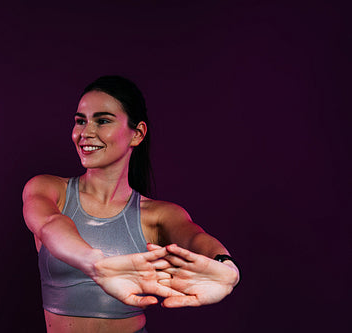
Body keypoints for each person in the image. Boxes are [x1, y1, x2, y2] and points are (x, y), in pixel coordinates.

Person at [23, 75, 240, 333]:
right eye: (81, 121)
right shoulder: (47, 190)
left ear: (137, 134)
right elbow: (50, 225)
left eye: (102, 121)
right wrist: (96, 265)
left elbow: (196, 239)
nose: (85, 132)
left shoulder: (158, 214)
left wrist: (226, 265)